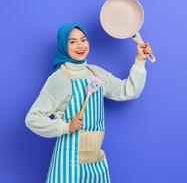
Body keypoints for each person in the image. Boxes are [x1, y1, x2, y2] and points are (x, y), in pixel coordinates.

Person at [25, 22, 152, 183]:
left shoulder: (96, 72)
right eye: (72, 42)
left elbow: (128, 90)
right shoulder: (60, 78)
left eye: (83, 40)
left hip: (94, 158)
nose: (80, 46)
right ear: (64, 46)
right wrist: (65, 127)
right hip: (69, 162)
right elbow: (32, 118)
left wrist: (140, 60)